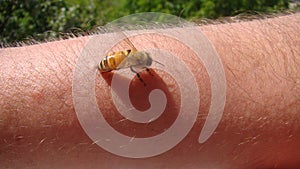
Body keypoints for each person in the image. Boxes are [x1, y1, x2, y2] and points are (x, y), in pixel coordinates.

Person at [0, 13, 299, 168]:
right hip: (109, 65)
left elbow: (135, 58)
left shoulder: (136, 59)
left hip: (112, 62)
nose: (149, 73)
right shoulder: (136, 65)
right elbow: (137, 68)